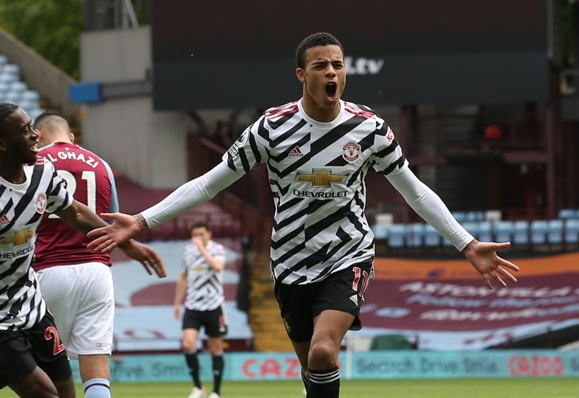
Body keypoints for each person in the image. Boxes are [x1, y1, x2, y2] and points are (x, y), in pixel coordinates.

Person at [86, 32, 521, 398]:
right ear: (302, 75)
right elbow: (208, 183)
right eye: (320, 66)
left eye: (337, 64)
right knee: (311, 370)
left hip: (348, 254)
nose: (331, 72)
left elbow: (416, 192)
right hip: (290, 264)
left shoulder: (369, 129)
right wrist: (143, 220)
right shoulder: (270, 129)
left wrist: (466, 242)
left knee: (323, 353)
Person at [0, 103, 165, 398]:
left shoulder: (43, 174)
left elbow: (75, 213)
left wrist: (126, 242)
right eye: (25, 130)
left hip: (31, 305)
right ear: (1, 144)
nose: (36, 134)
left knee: (66, 395)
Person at [31, 112, 165, 398]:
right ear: (71, 137)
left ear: (37, 135)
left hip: (47, 270)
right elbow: (112, 225)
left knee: (38, 370)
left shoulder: (32, 164)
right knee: (95, 365)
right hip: (97, 273)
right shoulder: (102, 165)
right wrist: (131, 247)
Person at [174, 220, 227, 398]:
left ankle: (216, 392)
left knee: (215, 348)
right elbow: (183, 277)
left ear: (209, 234)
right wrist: (176, 302)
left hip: (214, 305)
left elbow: (217, 266)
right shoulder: (188, 252)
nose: (197, 238)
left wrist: (202, 250)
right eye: (194, 235)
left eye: (201, 234)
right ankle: (198, 387)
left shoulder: (218, 249)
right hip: (193, 305)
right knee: (187, 343)